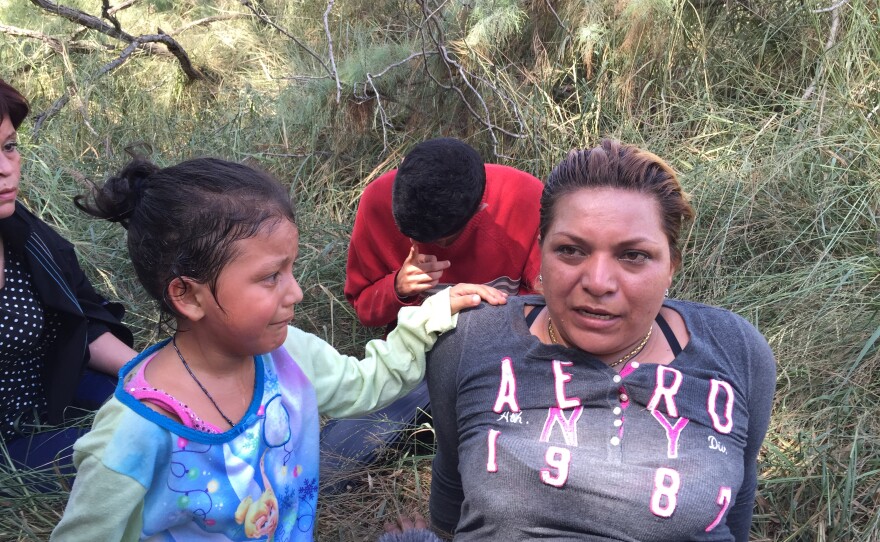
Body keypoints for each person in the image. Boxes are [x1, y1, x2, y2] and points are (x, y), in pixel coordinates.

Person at [51, 156, 506, 541]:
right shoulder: (135, 431)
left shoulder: (288, 355)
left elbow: (365, 386)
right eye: (271, 277)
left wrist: (431, 314)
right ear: (188, 296)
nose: (296, 293)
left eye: (290, 270)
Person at [423, 140, 777, 541]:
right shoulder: (470, 339)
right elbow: (451, 483)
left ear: (672, 266)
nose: (597, 282)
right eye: (571, 250)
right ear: (541, 253)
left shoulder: (738, 350)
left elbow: (739, 501)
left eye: (633, 256)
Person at [323, 137, 543, 470]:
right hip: (418, 365)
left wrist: (483, 319)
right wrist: (397, 286)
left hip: (501, 365)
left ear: (479, 210)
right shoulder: (377, 202)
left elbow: (549, 304)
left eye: (437, 240)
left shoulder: (524, 200)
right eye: (408, 234)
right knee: (330, 460)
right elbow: (365, 308)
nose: (417, 245)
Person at [0, 78, 136, 474]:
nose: (6, 169)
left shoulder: (26, 235)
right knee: (135, 456)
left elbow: (82, 319)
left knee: (172, 410)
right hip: (10, 448)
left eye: (9, 147)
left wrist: (149, 373)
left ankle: (293, 454)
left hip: (56, 387)